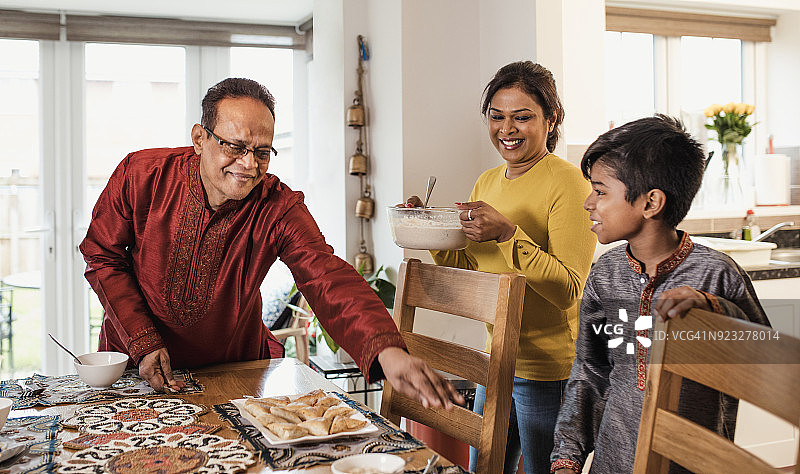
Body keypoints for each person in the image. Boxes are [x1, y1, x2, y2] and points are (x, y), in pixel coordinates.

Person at [80, 77, 463, 411]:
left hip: (232, 374)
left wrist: (386, 351)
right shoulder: (141, 175)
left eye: (262, 152)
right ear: (199, 138)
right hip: (137, 365)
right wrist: (143, 340)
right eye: (235, 147)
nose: (249, 165)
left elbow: (326, 276)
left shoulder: (277, 206)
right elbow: (102, 255)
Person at [550, 115, 771, 473]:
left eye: (601, 191)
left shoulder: (716, 274)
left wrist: (713, 308)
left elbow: (764, 365)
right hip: (613, 462)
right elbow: (590, 371)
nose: (588, 203)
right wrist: (567, 457)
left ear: (651, 203)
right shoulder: (605, 275)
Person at [406, 61, 595, 474]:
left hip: (546, 369)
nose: (507, 129)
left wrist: (509, 234)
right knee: (485, 470)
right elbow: (473, 268)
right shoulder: (487, 182)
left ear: (551, 119)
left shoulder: (569, 183)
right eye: (497, 116)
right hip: (494, 359)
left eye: (522, 117)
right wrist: (431, 230)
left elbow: (568, 289)